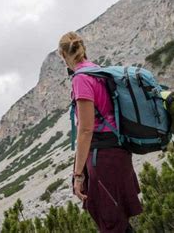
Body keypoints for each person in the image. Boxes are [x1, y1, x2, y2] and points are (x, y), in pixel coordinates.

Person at [57, 31, 142, 233]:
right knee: (119, 223)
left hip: (102, 156)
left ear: (62, 55)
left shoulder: (81, 79)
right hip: (119, 150)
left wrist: (78, 175)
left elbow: (86, 129)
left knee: (111, 224)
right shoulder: (99, 71)